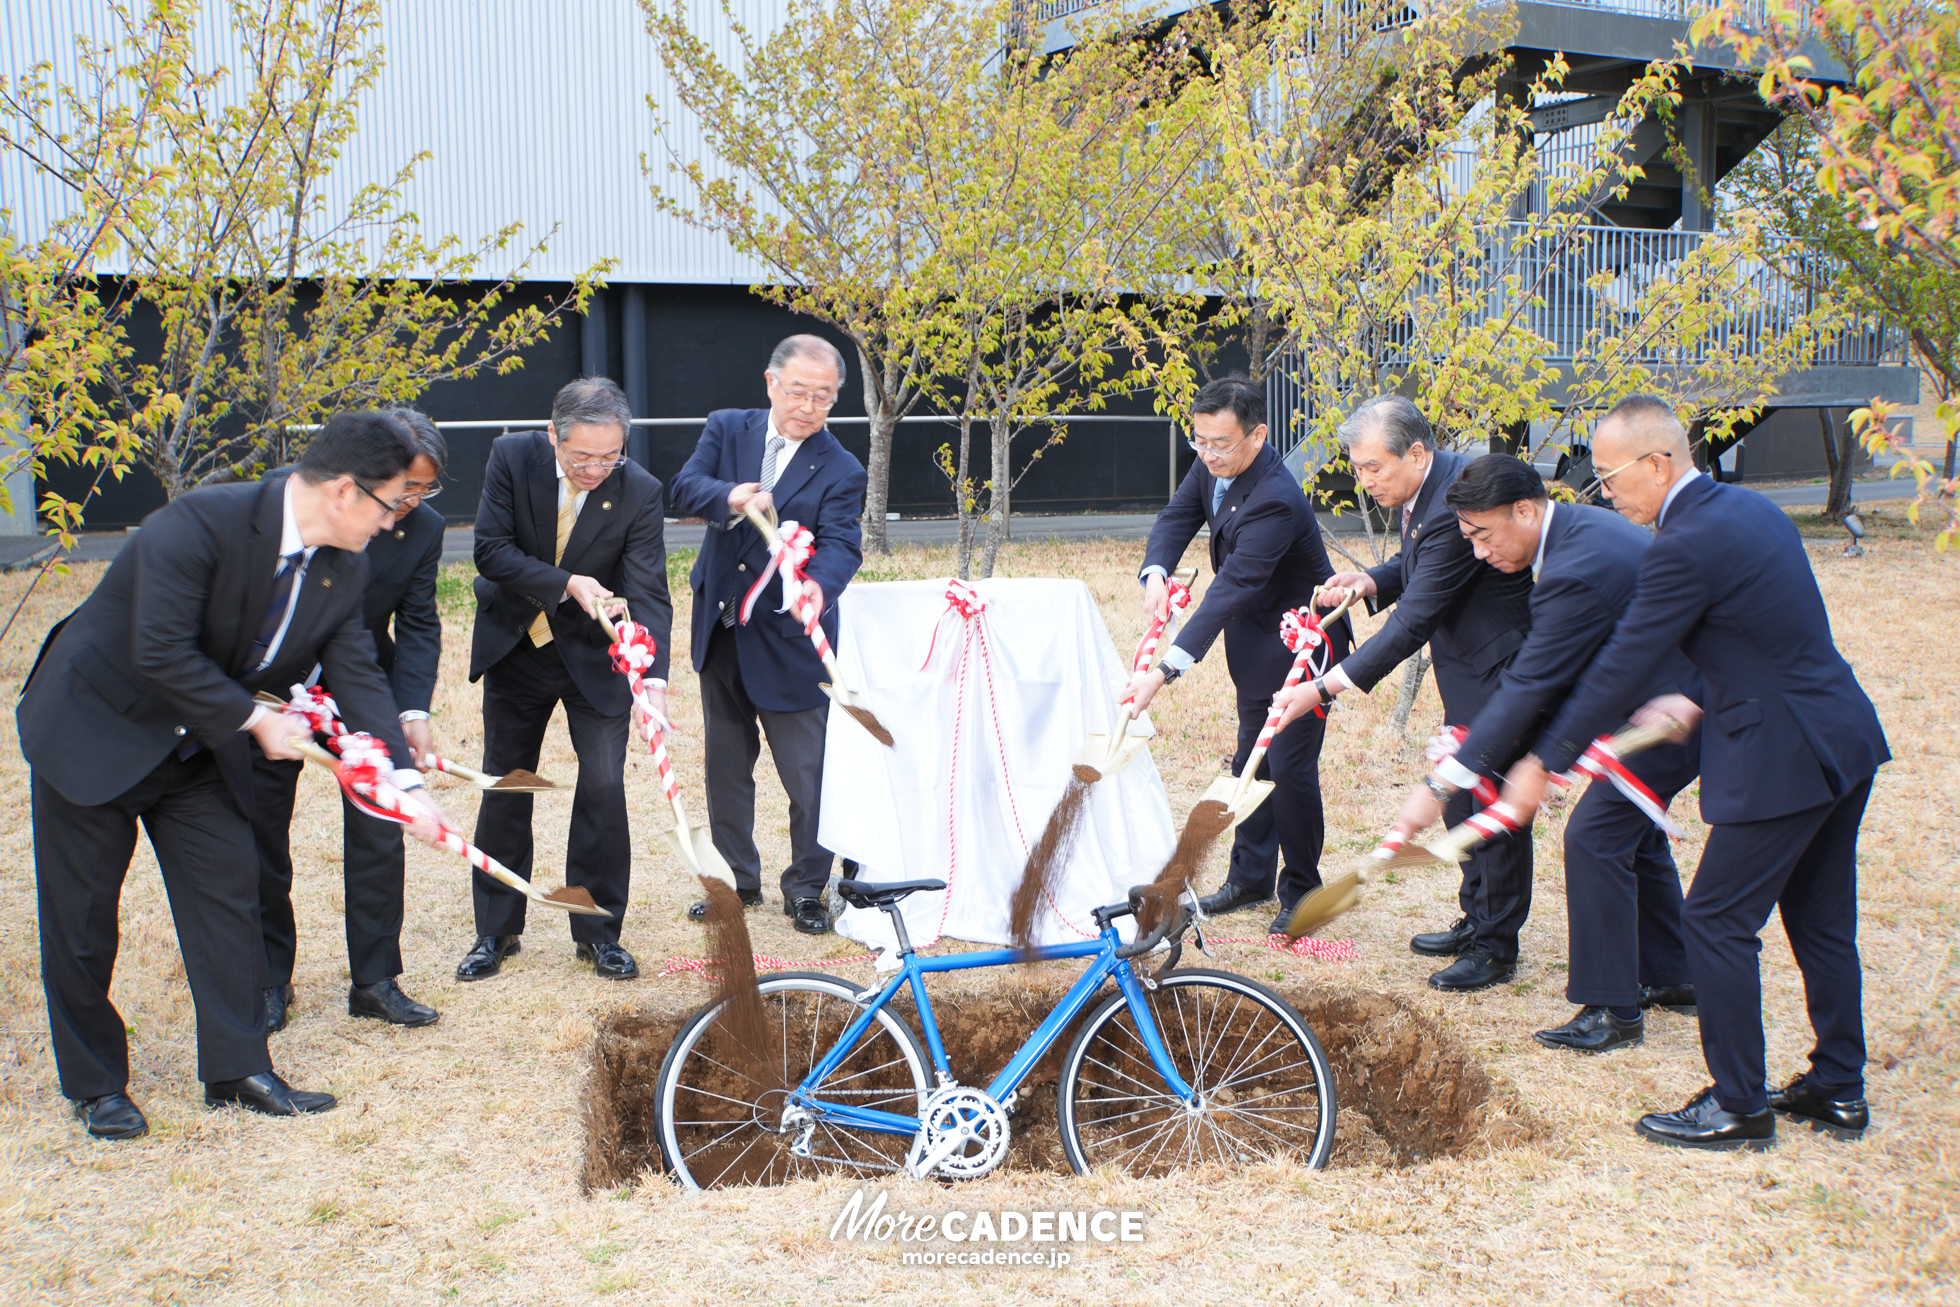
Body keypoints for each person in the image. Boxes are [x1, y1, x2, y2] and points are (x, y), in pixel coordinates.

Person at [20, 412, 453, 1138]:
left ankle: (236, 1066)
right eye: (388, 504)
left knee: (228, 899)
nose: (391, 524)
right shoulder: (198, 522)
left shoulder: (342, 566)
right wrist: (255, 720)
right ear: (345, 491)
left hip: (197, 751)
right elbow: (158, 649)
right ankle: (97, 1084)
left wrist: (405, 786)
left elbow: (358, 675)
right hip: (96, 728)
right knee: (84, 920)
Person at [1500, 395, 1889, 1150]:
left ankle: (1739, 1102)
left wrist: (1543, 761)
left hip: (1781, 756)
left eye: (1609, 476)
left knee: (1714, 920)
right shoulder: (1752, 512)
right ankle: (1840, 1085)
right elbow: (1759, 633)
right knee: (1820, 920)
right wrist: (1691, 694)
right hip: (1842, 735)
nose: (1603, 492)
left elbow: (1622, 663)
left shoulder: (1684, 541)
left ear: (1658, 463)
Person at [1386, 454, 1701, 1052]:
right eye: (1467, 538)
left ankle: (1612, 1009)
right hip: (1658, 699)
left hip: (1678, 708)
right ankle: (1676, 973)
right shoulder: (1574, 535)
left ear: (1525, 510)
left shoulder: (1575, 567)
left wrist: (1443, 785)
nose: (1478, 553)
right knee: (1633, 834)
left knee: (1596, 838)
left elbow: (1531, 682)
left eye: (1482, 535)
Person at [1271, 395, 1534, 991]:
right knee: (1465, 799)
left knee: (1485, 801)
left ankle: (1496, 946)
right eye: (1359, 468)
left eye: (1373, 468)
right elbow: (1417, 563)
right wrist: (1372, 579)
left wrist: (1324, 687)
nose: (1365, 482)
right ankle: (1478, 918)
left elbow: (1412, 623)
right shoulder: (1436, 485)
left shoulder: (1453, 498)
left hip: (1499, 668)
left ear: (1416, 452)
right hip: (1468, 668)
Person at [462, 378, 673, 981]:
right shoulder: (512, 457)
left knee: (604, 789)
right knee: (508, 786)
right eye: (583, 457)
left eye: (611, 457)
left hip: (594, 658)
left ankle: (599, 932)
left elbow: (650, 592)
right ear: (553, 435)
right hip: (518, 647)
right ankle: (496, 930)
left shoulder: (639, 491)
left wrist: (650, 678)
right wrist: (567, 583)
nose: (597, 469)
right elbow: (490, 550)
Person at [1126, 376, 1348, 936]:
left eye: (1220, 443)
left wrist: (1166, 668)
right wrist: (1157, 570)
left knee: (1290, 769)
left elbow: (1233, 585)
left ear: (1258, 435)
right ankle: (1250, 877)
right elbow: (1178, 515)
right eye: (1199, 441)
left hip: (1301, 646)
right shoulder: (1212, 461)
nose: (1207, 454)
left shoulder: (1275, 497)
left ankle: (1302, 891)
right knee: (1252, 758)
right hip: (1255, 643)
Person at [250, 410, 449, 1032]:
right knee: (261, 831)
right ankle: (267, 979)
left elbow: (417, 621)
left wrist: (409, 711)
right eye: (401, 490)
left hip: (361, 684)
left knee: (379, 829)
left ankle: (375, 978)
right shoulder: (295, 499)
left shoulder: (423, 529)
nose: (407, 505)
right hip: (272, 690)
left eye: (422, 491)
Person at [668, 335, 867, 936]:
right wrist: (727, 496)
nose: (808, 406)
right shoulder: (728, 429)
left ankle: (807, 887)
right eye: (799, 391)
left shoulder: (841, 467)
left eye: (824, 397)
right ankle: (735, 881)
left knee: (809, 775)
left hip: (789, 638)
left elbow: (841, 544)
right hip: (722, 628)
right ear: (772, 382)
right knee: (726, 767)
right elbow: (683, 487)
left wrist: (820, 587)